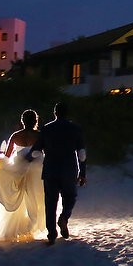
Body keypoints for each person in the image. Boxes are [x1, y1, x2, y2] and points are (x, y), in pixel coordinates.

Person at [24, 101, 87, 245]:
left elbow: (36, 150)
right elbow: (82, 153)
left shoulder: (47, 128)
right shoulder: (75, 129)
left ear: (55, 113)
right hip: (69, 170)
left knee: (50, 203)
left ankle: (51, 234)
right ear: (67, 113)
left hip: (50, 170)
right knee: (70, 197)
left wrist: (26, 159)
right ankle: (64, 217)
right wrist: (83, 173)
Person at [0, 109, 46, 242]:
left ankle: (16, 229)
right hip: (37, 169)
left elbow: (7, 156)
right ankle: (32, 226)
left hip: (19, 169)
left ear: (22, 121)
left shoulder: (15, 136)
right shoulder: (40, 135)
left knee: (20, 200)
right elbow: (44, 150)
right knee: (37, 198)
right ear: (35, 121)